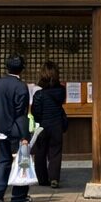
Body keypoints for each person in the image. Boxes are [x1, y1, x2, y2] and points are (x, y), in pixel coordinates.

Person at [0, 54, 32, 202]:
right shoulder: (21, 86)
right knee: (21, 162)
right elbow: (21, 110)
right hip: (16, 128)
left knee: (3, 160)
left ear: (7, 67)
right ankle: (18, 196)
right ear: (22, 69)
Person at [30, 61, 68, 189]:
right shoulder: (61, 91)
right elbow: (61, 103)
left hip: (42, 125)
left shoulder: (38, 93)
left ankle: (42, 178)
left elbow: (35, 111)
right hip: (57, 124)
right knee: (55, 152)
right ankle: (54, 178)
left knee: (40, 153)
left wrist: (40, 120)